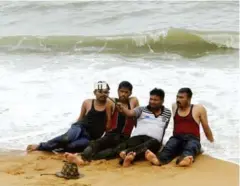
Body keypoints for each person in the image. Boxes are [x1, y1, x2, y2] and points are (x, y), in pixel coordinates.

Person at [64, 81, 139, 165]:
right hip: (112, 134)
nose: (123, 94)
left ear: (130, 93)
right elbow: (108, 124)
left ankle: (84, 158)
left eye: (126, 92)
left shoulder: (133, 101)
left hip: (125, 137)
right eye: (121, 91)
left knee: (113, 152)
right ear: (118, 91)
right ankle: (82, 157)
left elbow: (136, 118)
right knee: (96, 144)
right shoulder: (111, 102)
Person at [26, 81, 112, 153]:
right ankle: (40, 146)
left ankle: (55, 149)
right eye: (100, 91)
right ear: (94, 92)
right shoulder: (88, 102)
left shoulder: (110, 105)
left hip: (90, 137)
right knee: (67, 138)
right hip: (79, 127)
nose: (103, 94)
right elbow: (80, 118)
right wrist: (73, 130)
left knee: (72, 146)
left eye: (106, 92)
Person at [145, 88, 214, 167]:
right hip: (177, 138)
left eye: (181, 97)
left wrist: (212, 145)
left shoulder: (198, 109)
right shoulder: (174, 106)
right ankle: (158, 160)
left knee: (190, 147)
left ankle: (183, 160)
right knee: (169, 147)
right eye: (177, 97)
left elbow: (206, 128)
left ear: (189, 98)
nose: (178, 99)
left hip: (193, 139)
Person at [113, 88, 171, 167]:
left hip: (153, 141)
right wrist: (122, 108)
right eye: (151, 99)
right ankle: (128, 156)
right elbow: (130, 113)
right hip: (137, 138)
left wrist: (161, 143)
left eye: (155, 100)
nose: (152, 102)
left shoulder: (167, 112)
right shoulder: (141, 109)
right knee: (124, 147)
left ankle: (126, 155)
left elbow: (164, 128)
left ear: (162, 101)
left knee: (151, 144)